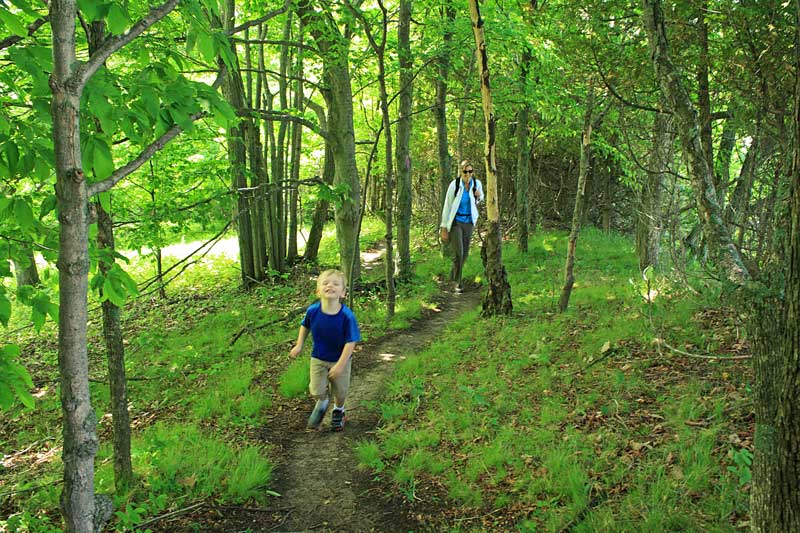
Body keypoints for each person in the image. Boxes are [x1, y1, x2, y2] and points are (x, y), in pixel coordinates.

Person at [289, 269, 361, 431]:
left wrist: (340, 366)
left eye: (336, 284)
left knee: (340, 391)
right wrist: (299, 345)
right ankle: (322, 402)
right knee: (316, 390)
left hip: (340, 359)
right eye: (326, 283)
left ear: (343, 293)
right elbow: (305, 326)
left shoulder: (346, 316)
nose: (330, 286)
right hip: (318, 358)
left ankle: (339, 411)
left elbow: (351, 342)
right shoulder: (313, 311)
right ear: (318, 290)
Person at [440, 160, 484, 292]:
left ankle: (453, 275)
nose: (468, 174)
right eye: (465, 171)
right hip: (456, 222)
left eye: (470, 171)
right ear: (460, 171)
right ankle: (457, 283)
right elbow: (447, 206)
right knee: (458, 252)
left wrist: (479, 196)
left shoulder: (476, 184)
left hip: (469, 222)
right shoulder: (454, 185)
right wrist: (443, 227)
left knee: (464, 254)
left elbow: (480, 199)